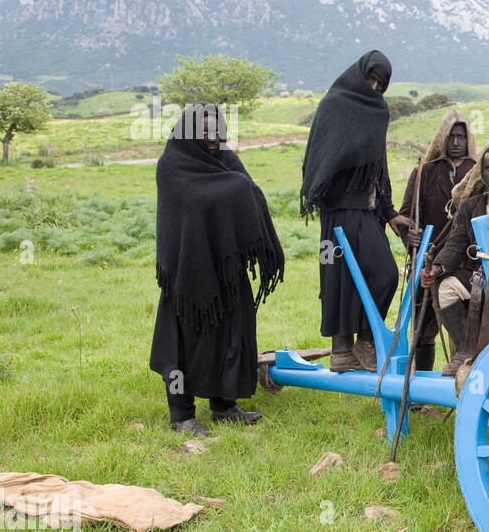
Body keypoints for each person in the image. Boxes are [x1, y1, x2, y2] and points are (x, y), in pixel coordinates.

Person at [150, 102, 285, 436]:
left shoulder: (226, 159)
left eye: (217, 130)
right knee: (186, 342)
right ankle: (182, 414)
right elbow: (194, 204)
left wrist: (236, 192)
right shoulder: (172, 164)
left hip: (227, 267)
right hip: (188, 273)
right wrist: (234, 190)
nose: (213, 137)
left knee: (232, 334)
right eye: (204, 131)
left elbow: (252, 193)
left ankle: (224, 405)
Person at [300, 50, 412, 372]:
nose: (375, 88)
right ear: (359, 75)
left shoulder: (378, 112)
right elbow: (319, 159)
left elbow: (379, 164)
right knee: (338, 280)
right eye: (371, 79)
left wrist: (389, 212)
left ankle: (366, 341)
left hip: (367, 213)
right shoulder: (335, 104)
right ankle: (342, 351)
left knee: (384, 274)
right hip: (338, 210)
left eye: (381, 84)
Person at [422, 141, 489, 376]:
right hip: (479, 276)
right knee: (446, 289)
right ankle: (466, 351)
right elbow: (456, 244)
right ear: (481, 173)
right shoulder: (470, 206)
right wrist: (437, 268)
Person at [397, 110, 478, 372]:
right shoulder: (424, 172)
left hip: (465, 263)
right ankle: (421, 396)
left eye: (461, 137)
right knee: (422, 331)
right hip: (427, 260)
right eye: (451, 136)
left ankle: (461, 388)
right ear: (442, 138)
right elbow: (406, 214)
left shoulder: (478, 172)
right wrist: (409, 237)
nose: (456, 142)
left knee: (465, 333)